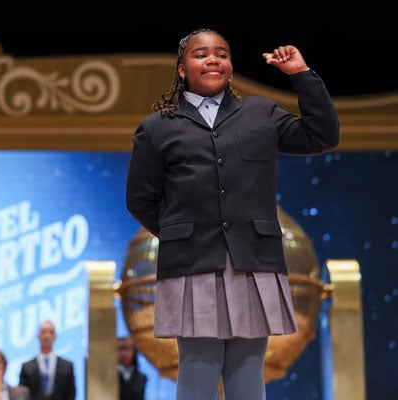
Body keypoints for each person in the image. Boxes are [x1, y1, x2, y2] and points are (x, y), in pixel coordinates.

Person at [125, 28, 339, 400]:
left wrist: (301, 75)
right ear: (182, 69)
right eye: (201, 54)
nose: (212, 59)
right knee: (198, 369)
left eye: (221, 54)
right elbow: (140, 199)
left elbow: (322, 135)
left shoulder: (261, 113)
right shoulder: (157, 128)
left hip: (253, 260)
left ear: (231, 66)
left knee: (247, 372)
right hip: (191, 265)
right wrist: (181, 234)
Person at [19, 320, 76, 400]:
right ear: (38, 335)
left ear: (55, 336)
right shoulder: (27, 367)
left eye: (51, 332)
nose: (47, 336)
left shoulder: (67, 366)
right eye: (43, 332)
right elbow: (23, 395)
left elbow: (71, 394)